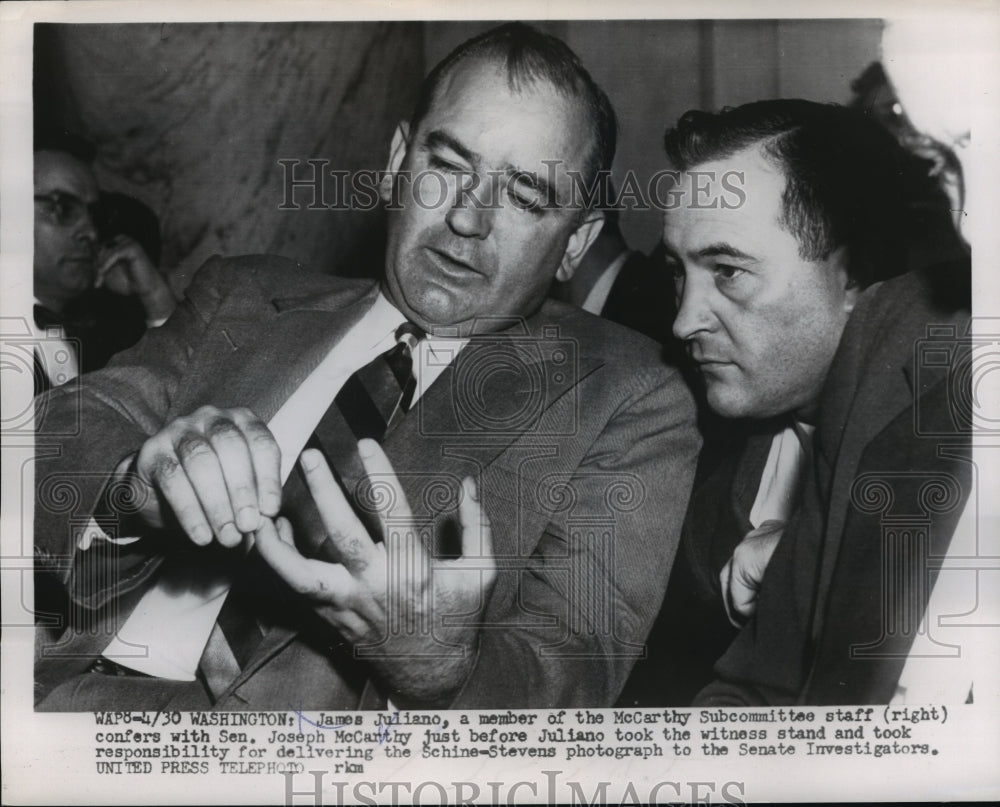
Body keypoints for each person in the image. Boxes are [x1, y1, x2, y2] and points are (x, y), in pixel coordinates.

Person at [33, 23, 699, 711]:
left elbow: (572, 671)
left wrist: (441, 666)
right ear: (397, 162)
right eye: (447, 166)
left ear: (575, 244)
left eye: (526, 196)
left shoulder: (627, 394)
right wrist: (131, 484)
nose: (469, 219)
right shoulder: (244, 292)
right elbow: (58, 430)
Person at [619, 98, 971, 707]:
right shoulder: (695, 449)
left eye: (727, 270)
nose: (682, 322)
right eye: (679, 271)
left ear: (854, 274)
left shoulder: (956, 419)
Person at [32, 131, 177, 389]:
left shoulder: (108, 333)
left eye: (93, 213)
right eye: (62, 207)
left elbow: (197, 387)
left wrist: (155, 297)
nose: (90, 232)